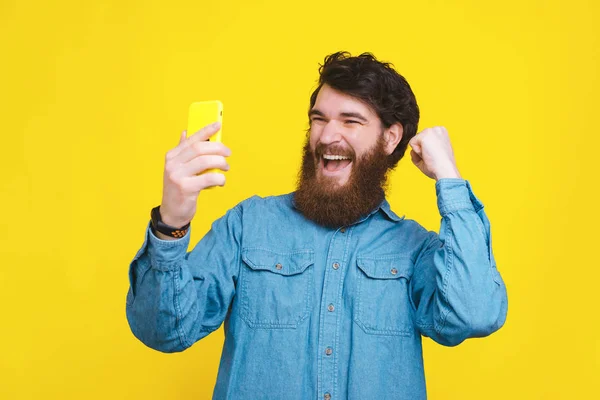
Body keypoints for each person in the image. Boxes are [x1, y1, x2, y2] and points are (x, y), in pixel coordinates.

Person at [126, 51, 508, 400]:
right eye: (318, 119)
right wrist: (171, 222)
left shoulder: (417, 249)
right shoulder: (248, 226)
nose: (326, 136)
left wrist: (450, 179)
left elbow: (473, 314)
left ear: (390, 138)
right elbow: (164, 330)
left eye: (350, 121)